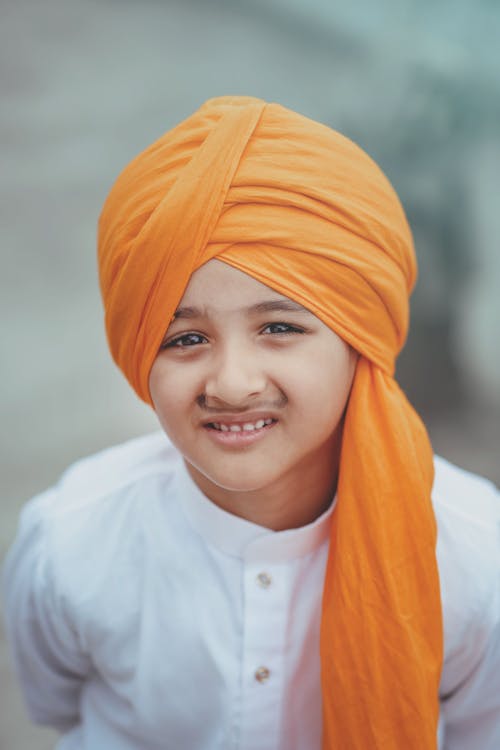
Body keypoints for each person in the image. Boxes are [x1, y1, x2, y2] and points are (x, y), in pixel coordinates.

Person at [3, 96, 499, 750]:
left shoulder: (472, 555)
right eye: (184, 339)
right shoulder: (72, 541)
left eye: (280, 328)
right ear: (137, 349)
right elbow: (60, 705)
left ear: (360, 341)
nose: (233, 383)